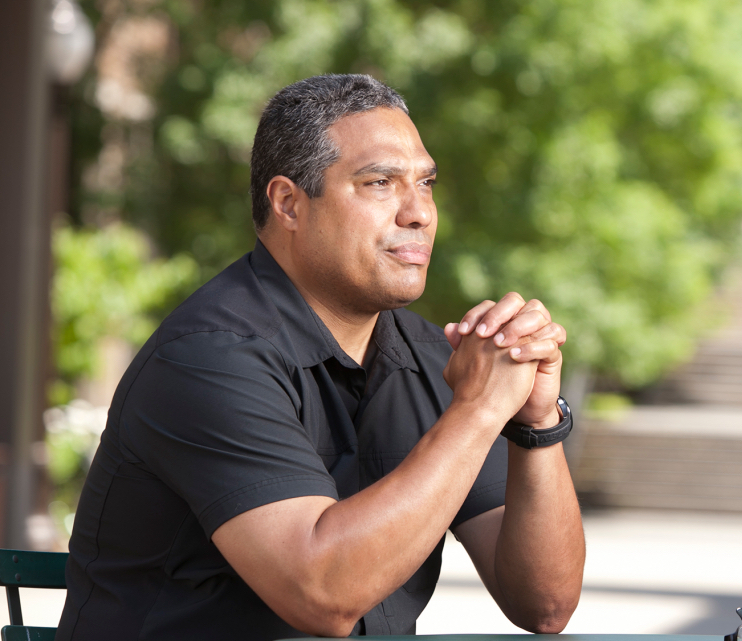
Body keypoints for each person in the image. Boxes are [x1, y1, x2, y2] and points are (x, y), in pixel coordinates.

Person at [56, 74, 586, 640]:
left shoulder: (437, 359)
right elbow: (323, 596)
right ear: (288, 203)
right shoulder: (209, 357)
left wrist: (536, 424)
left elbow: (545, 606)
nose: (420, 213)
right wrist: (479, 411)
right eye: (380, 182)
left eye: (425, 183)